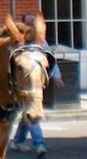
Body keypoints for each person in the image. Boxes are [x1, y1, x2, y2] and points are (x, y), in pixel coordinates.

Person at [9, 13, 64, 157]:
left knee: (28, 113)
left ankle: (18, 140)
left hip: (36, 84)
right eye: (28, 23)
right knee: (33, 112)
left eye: (33, 23)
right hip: (23, 85)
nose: (31, 26)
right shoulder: (19, 42)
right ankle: (39, 144)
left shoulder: (40, 42)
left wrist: (57, 76)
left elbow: (49, 56)